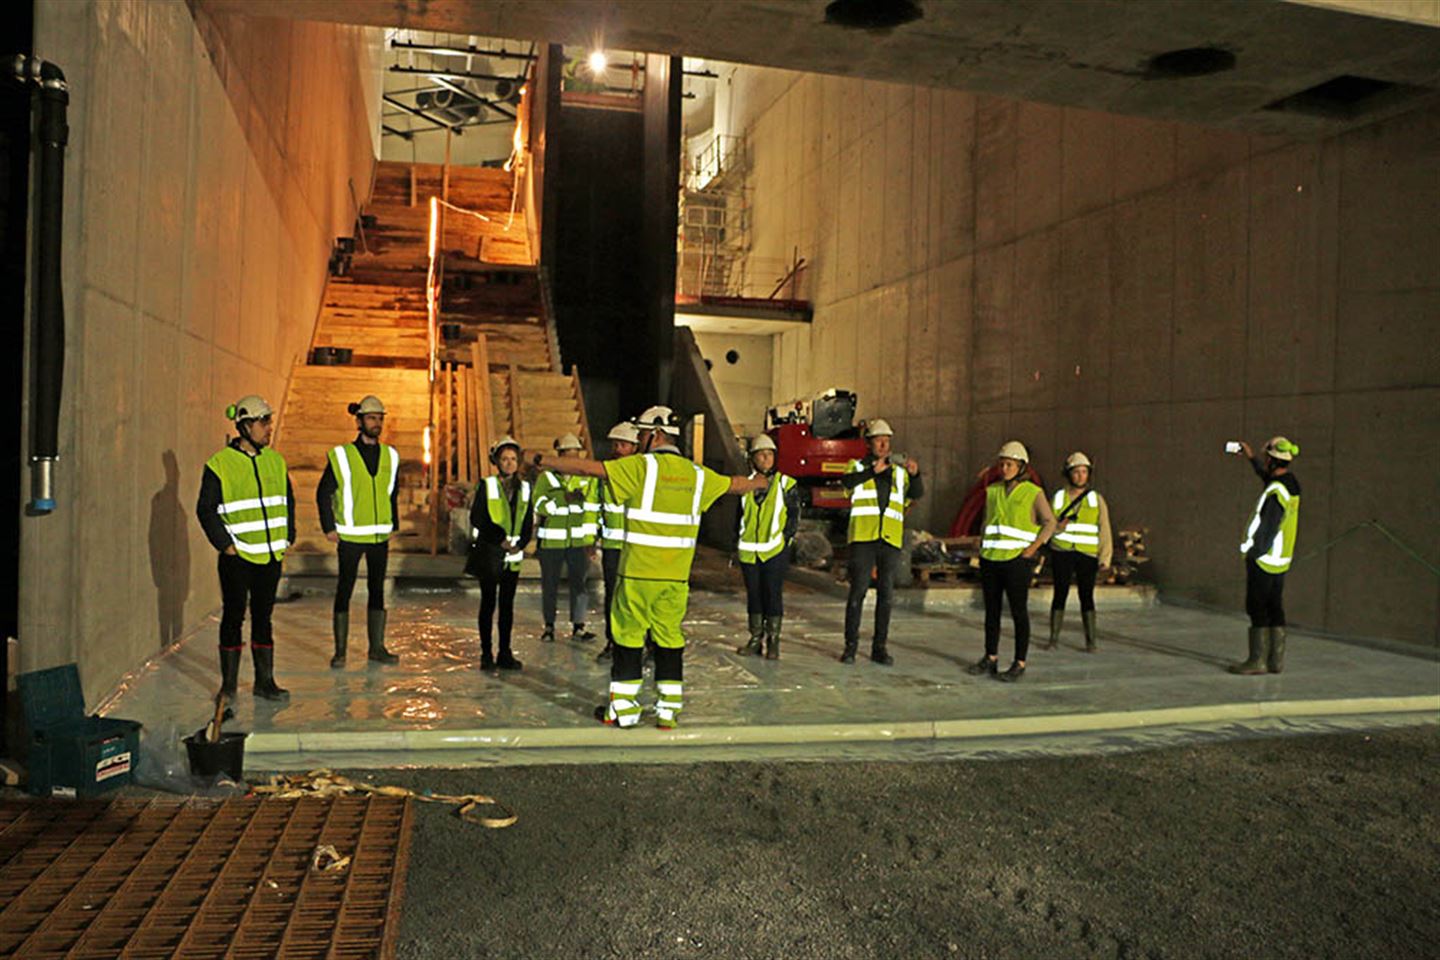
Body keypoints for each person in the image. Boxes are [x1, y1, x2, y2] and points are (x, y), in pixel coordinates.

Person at [535, 405, 768, 729]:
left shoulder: (641, 467)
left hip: (637, 574)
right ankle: (668, 712)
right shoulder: (698, 475)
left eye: (642, 434)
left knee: (628, 638)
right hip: (675, 580)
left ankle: (624, 711)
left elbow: (592, 470)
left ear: (656, 434)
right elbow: (734, 484)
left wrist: (543, 461)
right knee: (669, 639)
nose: (640, 439)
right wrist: (761, 484)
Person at [195, 394, 296, 701]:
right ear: (246, 424)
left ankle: (265, 682)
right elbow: (206, 509)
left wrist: (289, 534)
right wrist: (225, 545)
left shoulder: (275, 461)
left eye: (269, 421)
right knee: (233, 617)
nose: (269, 428)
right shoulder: (220, 464)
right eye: (264, 422)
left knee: (264, 618)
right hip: (237, 557)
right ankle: (228, 686)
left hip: (270, 555)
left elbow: (287, 501)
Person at [316, 395, 400, 668]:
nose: (377, 423)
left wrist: (393, 525)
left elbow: (392, 493)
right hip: (351, 536)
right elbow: (323, 492)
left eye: (380, 418)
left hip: (378, 537)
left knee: (377, 590)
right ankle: (340, 652)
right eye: (372, 418)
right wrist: (329, 526)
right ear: (359, 421)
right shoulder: (342, 456)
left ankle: (376, 647)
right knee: (345, 590)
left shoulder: (391, 455)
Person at [965, 441, 1057, 682]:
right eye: (1002, 464)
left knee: (1018, 612)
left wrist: (1034, 548)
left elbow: (1050, 522)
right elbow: (988, 521)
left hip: (1017, 561)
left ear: (1021, 467)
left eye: (1010, 464)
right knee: (991, 612)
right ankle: (990, 657)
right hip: (991, 559)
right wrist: (982, 545)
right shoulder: (992, 491)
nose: (1005, 468)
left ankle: (1019, 662)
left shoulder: (1033, 492)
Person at [839, 418, 923, 666]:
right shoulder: (855, 467)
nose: (884, 445)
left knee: (886, 596)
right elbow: (846, 485)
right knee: (857, 593)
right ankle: (850, 647)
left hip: (889, 540)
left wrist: (916, 475)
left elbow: (916, 494)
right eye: (879, 440)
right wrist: (870, 472)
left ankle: (879, 648)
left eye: (887, 440)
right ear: (869, 443)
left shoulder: (899, 473)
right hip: (863, 538)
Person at [1228, 436, 1302, 675]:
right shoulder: (1289, 484)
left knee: (1257, 607)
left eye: (1266, 458)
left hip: (1264, 559)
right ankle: (1275, 662)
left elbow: (1268, 528)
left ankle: (1257, 661)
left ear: (1271, 459)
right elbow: (1268, 478)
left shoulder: (1275, 493)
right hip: (1280, 560)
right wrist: (1250, 457)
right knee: (1275, 607)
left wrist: (1253, 554)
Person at [466, 435, 532, 672]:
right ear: (496, 461)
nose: (509, 463)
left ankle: (505, 652)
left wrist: (521, 544)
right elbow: (478, 518)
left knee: (507, 607)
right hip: (491, 554)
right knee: (488, 604)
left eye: (513, 459)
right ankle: (486, 653)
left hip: (513, 558)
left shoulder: (525, 488)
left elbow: (528, 520)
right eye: (504, 459)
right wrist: (500, 540)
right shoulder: (487, 485)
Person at [735, 435, 800, 660]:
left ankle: (773, 641)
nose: (766, 458)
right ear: (753, 458)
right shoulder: (745, 485)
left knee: (772, 595)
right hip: (749, 551)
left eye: (770, 454)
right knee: (754, 595)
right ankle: (755, 639)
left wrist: (785, 542)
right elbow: (738, 518)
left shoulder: (785, 483)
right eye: (761, 454)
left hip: (774, 550)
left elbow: (794, 515)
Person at [532, 433, 601, 643]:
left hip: (579, 542)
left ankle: (578, 626)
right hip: (552, 543)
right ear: (560, 456)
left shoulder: (588, 479)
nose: (573, 461)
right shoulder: (547, 478)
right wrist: (562, 499)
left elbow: (593, 510)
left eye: (575, 456)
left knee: (579, 585)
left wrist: (592, 541)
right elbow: (537, 504)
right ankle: (549, 626)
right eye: (568, 456)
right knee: (549, 585)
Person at [1044, 451, 1114, 653]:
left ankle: (1091, 642)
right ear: (1069, 474)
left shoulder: (1096, 499)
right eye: (1076, 472)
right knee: (1060, 594)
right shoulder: (1058, 498)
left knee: (1087, 595)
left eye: (1084, 472)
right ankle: (1053, 639)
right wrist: (1058, 527)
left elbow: (1104, 528)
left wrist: (1105, 558)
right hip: (1062, 552)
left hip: (1087, 554)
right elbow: (1046, 524)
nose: (1080, 476)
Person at [596, 421, 640, 662]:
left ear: (634, 447)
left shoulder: (641, 471)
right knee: (612, 596)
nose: (618, 448)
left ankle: (645, 643)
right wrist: (591, 538)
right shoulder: (605, 473)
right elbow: (595, 504)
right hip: (613, 546)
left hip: (637, 545)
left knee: (638, 597)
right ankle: (613, 641)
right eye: (615, 444)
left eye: (622, 444)